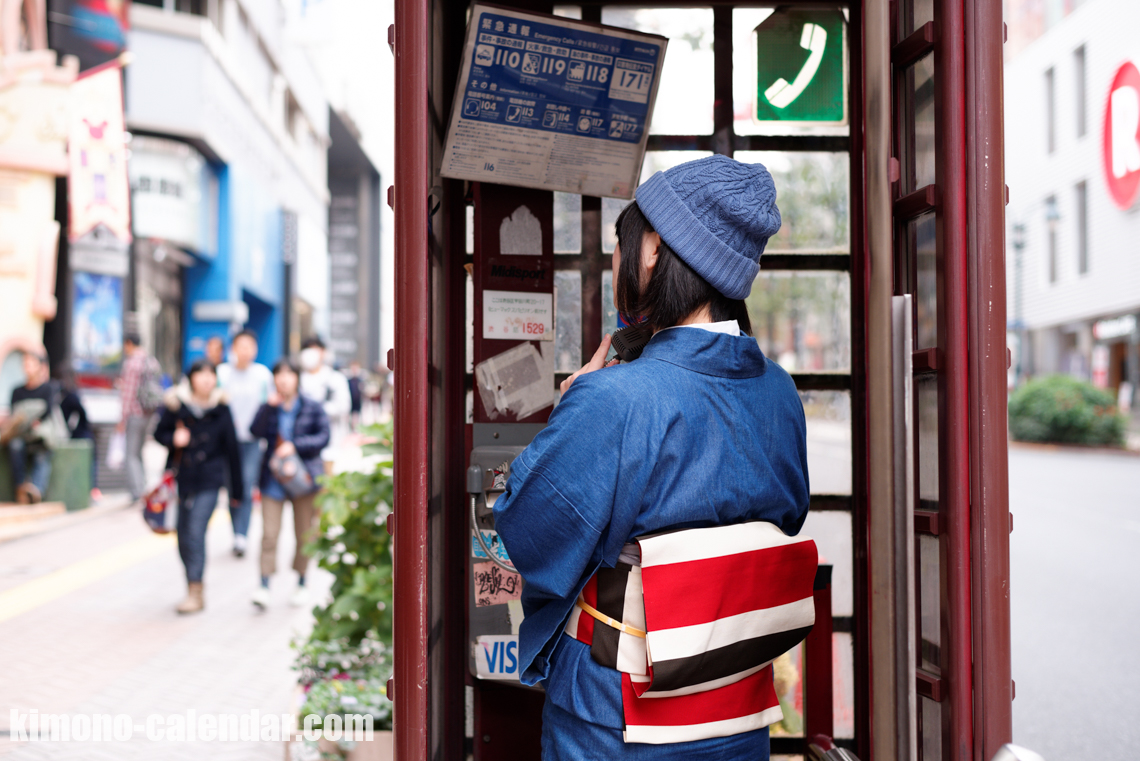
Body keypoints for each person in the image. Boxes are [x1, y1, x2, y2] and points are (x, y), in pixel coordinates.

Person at [491, 156, 810, 760]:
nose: (616, 262)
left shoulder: (613, 397)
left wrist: (573, 404)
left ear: (653, 250)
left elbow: (530, 532)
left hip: (617, 714)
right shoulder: (778, 391)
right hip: (737, 701)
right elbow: (787, 519)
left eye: (621, 244)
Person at [154, 359, 243, 614]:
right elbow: (158, 433)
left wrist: (237, 492)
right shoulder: (176, 405)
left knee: (195, 531)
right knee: (182, 535)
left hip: (209, 480)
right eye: (201, 374)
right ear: (191, 378)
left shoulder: (222, 408)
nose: (206, 379)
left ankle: (196, 591)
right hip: (181, 479)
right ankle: (192, 585)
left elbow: (232, 450)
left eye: (210, 374)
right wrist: (174, 438)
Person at [249, 359, 329, 609]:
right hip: (272, 478)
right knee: (269, 534)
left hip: (304, 479)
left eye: (289, 374)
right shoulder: (270, 406)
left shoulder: (312, 406)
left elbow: (324, 437)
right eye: (279, 374)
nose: (283, 379)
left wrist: (296, 445)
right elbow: (254, 431)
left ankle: (302, 582)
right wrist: (267, 408)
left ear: (297, 378)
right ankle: (264, 585)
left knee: (304, 533)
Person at [216, 330, 274, 557]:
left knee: (248, 485)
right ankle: (235, 532)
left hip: (252, 442)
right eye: (241, 346)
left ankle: (242, 535)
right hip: (228, 442)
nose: (245, 351)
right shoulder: (222, 373)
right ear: (233, 348)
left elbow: (268, 406)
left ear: (255, 349)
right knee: (233, 487)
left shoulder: (262, 375)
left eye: (249, 346)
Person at [3, 349, 58, 504]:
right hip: (21, 434)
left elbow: (48, 411)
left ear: (40, 366)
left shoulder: (48, 388)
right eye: (25, 363)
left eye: (31, 363)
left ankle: (36, 490)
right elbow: (13, 414)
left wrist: (35, 422)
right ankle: (20, 488)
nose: (27, 367)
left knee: (42, 453)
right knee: (15, 446)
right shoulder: (17, 391)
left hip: (39, 435)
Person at [117, 334, 159, 502]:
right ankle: (143, 486)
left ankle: (137, 492)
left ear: (128, 343)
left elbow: (128, 393)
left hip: (135, 413)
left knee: (131, 454)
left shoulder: (132, 363)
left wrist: (122, 418)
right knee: (139, 452)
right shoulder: (151, 361)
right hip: (149, 412)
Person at [298, 336, 351, 469]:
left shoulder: (335, 378)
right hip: (303, 442)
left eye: (316, 349)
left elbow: (344, 406)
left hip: (331, 441)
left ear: (323, 352)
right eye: (308, 349)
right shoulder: (297, 379)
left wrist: (318, 410)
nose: (311, 353)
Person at [55, 363, 100, 502]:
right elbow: (83, 415)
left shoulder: (62, 395)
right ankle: (91, 490)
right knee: (88, 464)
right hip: (79, 435)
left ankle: (91, 491)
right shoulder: (71, 395)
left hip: (74, 435)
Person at [345, 360, 364, 431]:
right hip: (349, 401)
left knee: (355, 417)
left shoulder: (360, 380)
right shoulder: (347, 380)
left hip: (357, 401)